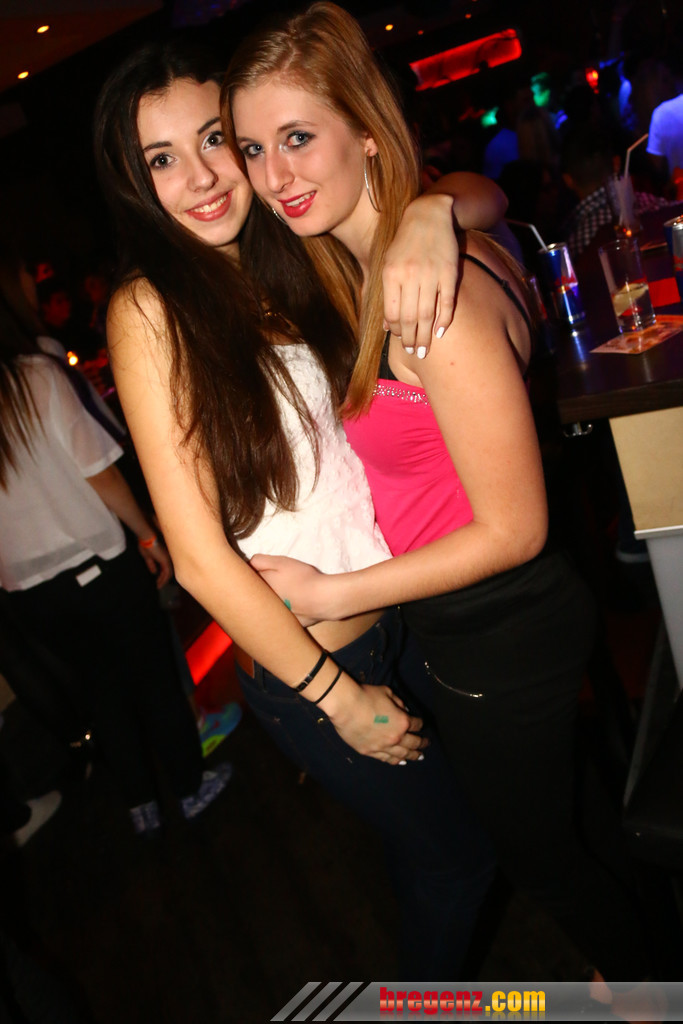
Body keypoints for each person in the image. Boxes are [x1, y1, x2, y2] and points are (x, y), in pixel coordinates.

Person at [226, 1, 654, 988]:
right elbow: (482, 195)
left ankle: (644, 993)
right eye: (253, 147)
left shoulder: (431, 304)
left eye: (297, 137)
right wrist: (429, 207)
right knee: (574, 824)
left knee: (541, 862)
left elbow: (515, 528)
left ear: (365, 133)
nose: (273, 175)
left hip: (496, 625)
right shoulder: (401, 253)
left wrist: (329, 592)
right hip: (493, 625)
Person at [95, 37, 506, 976]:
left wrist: (430, 211)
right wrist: (338, 700)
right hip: (314, 667)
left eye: (215, 141)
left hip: (400, 616)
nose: (203, 177)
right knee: (460, 863)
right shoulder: (149, 309)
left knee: (430, 850)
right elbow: (197, 558)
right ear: (131, 181)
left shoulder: (290, 253)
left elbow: (486, 195)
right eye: (162, 159)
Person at [0, 246, 231, 837]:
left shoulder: (35, 375)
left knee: (101, 691)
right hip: (97, 568)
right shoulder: (36, 377)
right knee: (152, 676)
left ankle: (140, 803)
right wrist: (149, 535)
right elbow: (99, 471)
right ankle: (190, 786)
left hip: (30, 593)